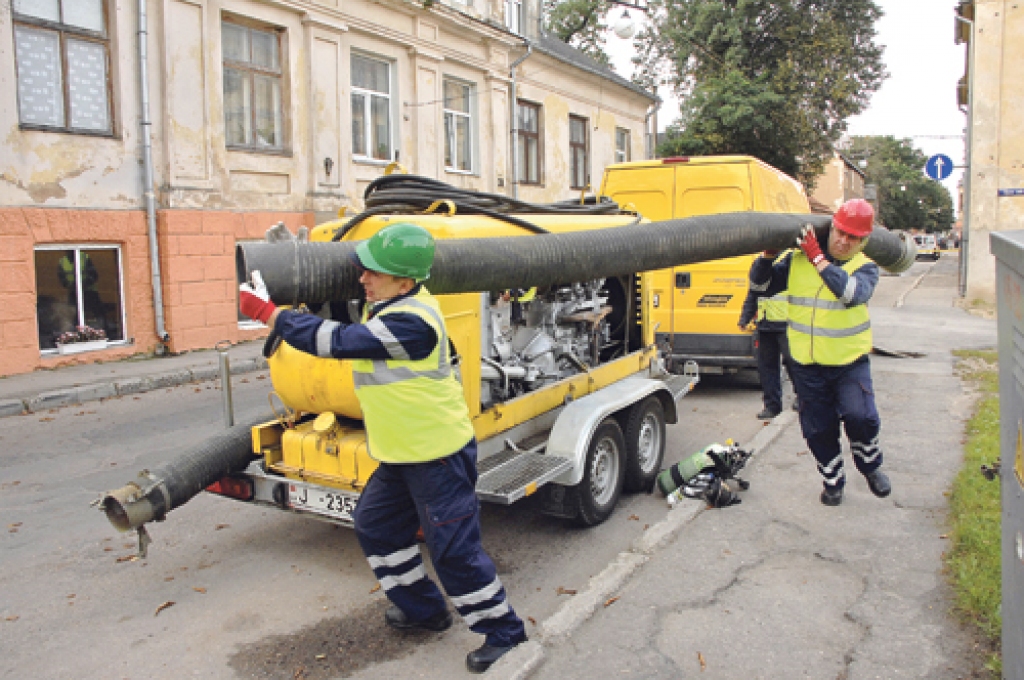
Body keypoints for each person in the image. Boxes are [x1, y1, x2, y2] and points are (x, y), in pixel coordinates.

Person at [238, 223, 528, 673]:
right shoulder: (392, 309)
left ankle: (505, 634)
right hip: (400, 455)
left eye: (374, 272)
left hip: (437, 458)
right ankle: (424, 609)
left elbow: (336, 342)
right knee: (374, 526)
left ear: (405, 282)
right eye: (363, 270)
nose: (362, 279)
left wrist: (269, 314)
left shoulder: (412, 324)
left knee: (454, 552)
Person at [748, 199, 891, 506]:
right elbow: (760, 288)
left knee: (861, 417)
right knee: (818, 429)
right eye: (840, 232)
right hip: (806, 364)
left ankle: (870, 466)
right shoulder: (798, 260)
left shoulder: (864, 266)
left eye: (852, 237)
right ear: (832, 228)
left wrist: (818, 260)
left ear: (863, 241)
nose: (843, 241)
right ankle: (832, 481)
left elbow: (851, 294)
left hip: (848, 362)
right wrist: (766, 258)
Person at [738, 249, 792, 420]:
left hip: (787, 323)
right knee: (766, 368)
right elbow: (753, 292)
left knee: (794, 364)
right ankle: (772, 406)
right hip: (765, 324)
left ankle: (802, 399)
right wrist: (745, 317)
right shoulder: (761, 260)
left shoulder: (789, 257)